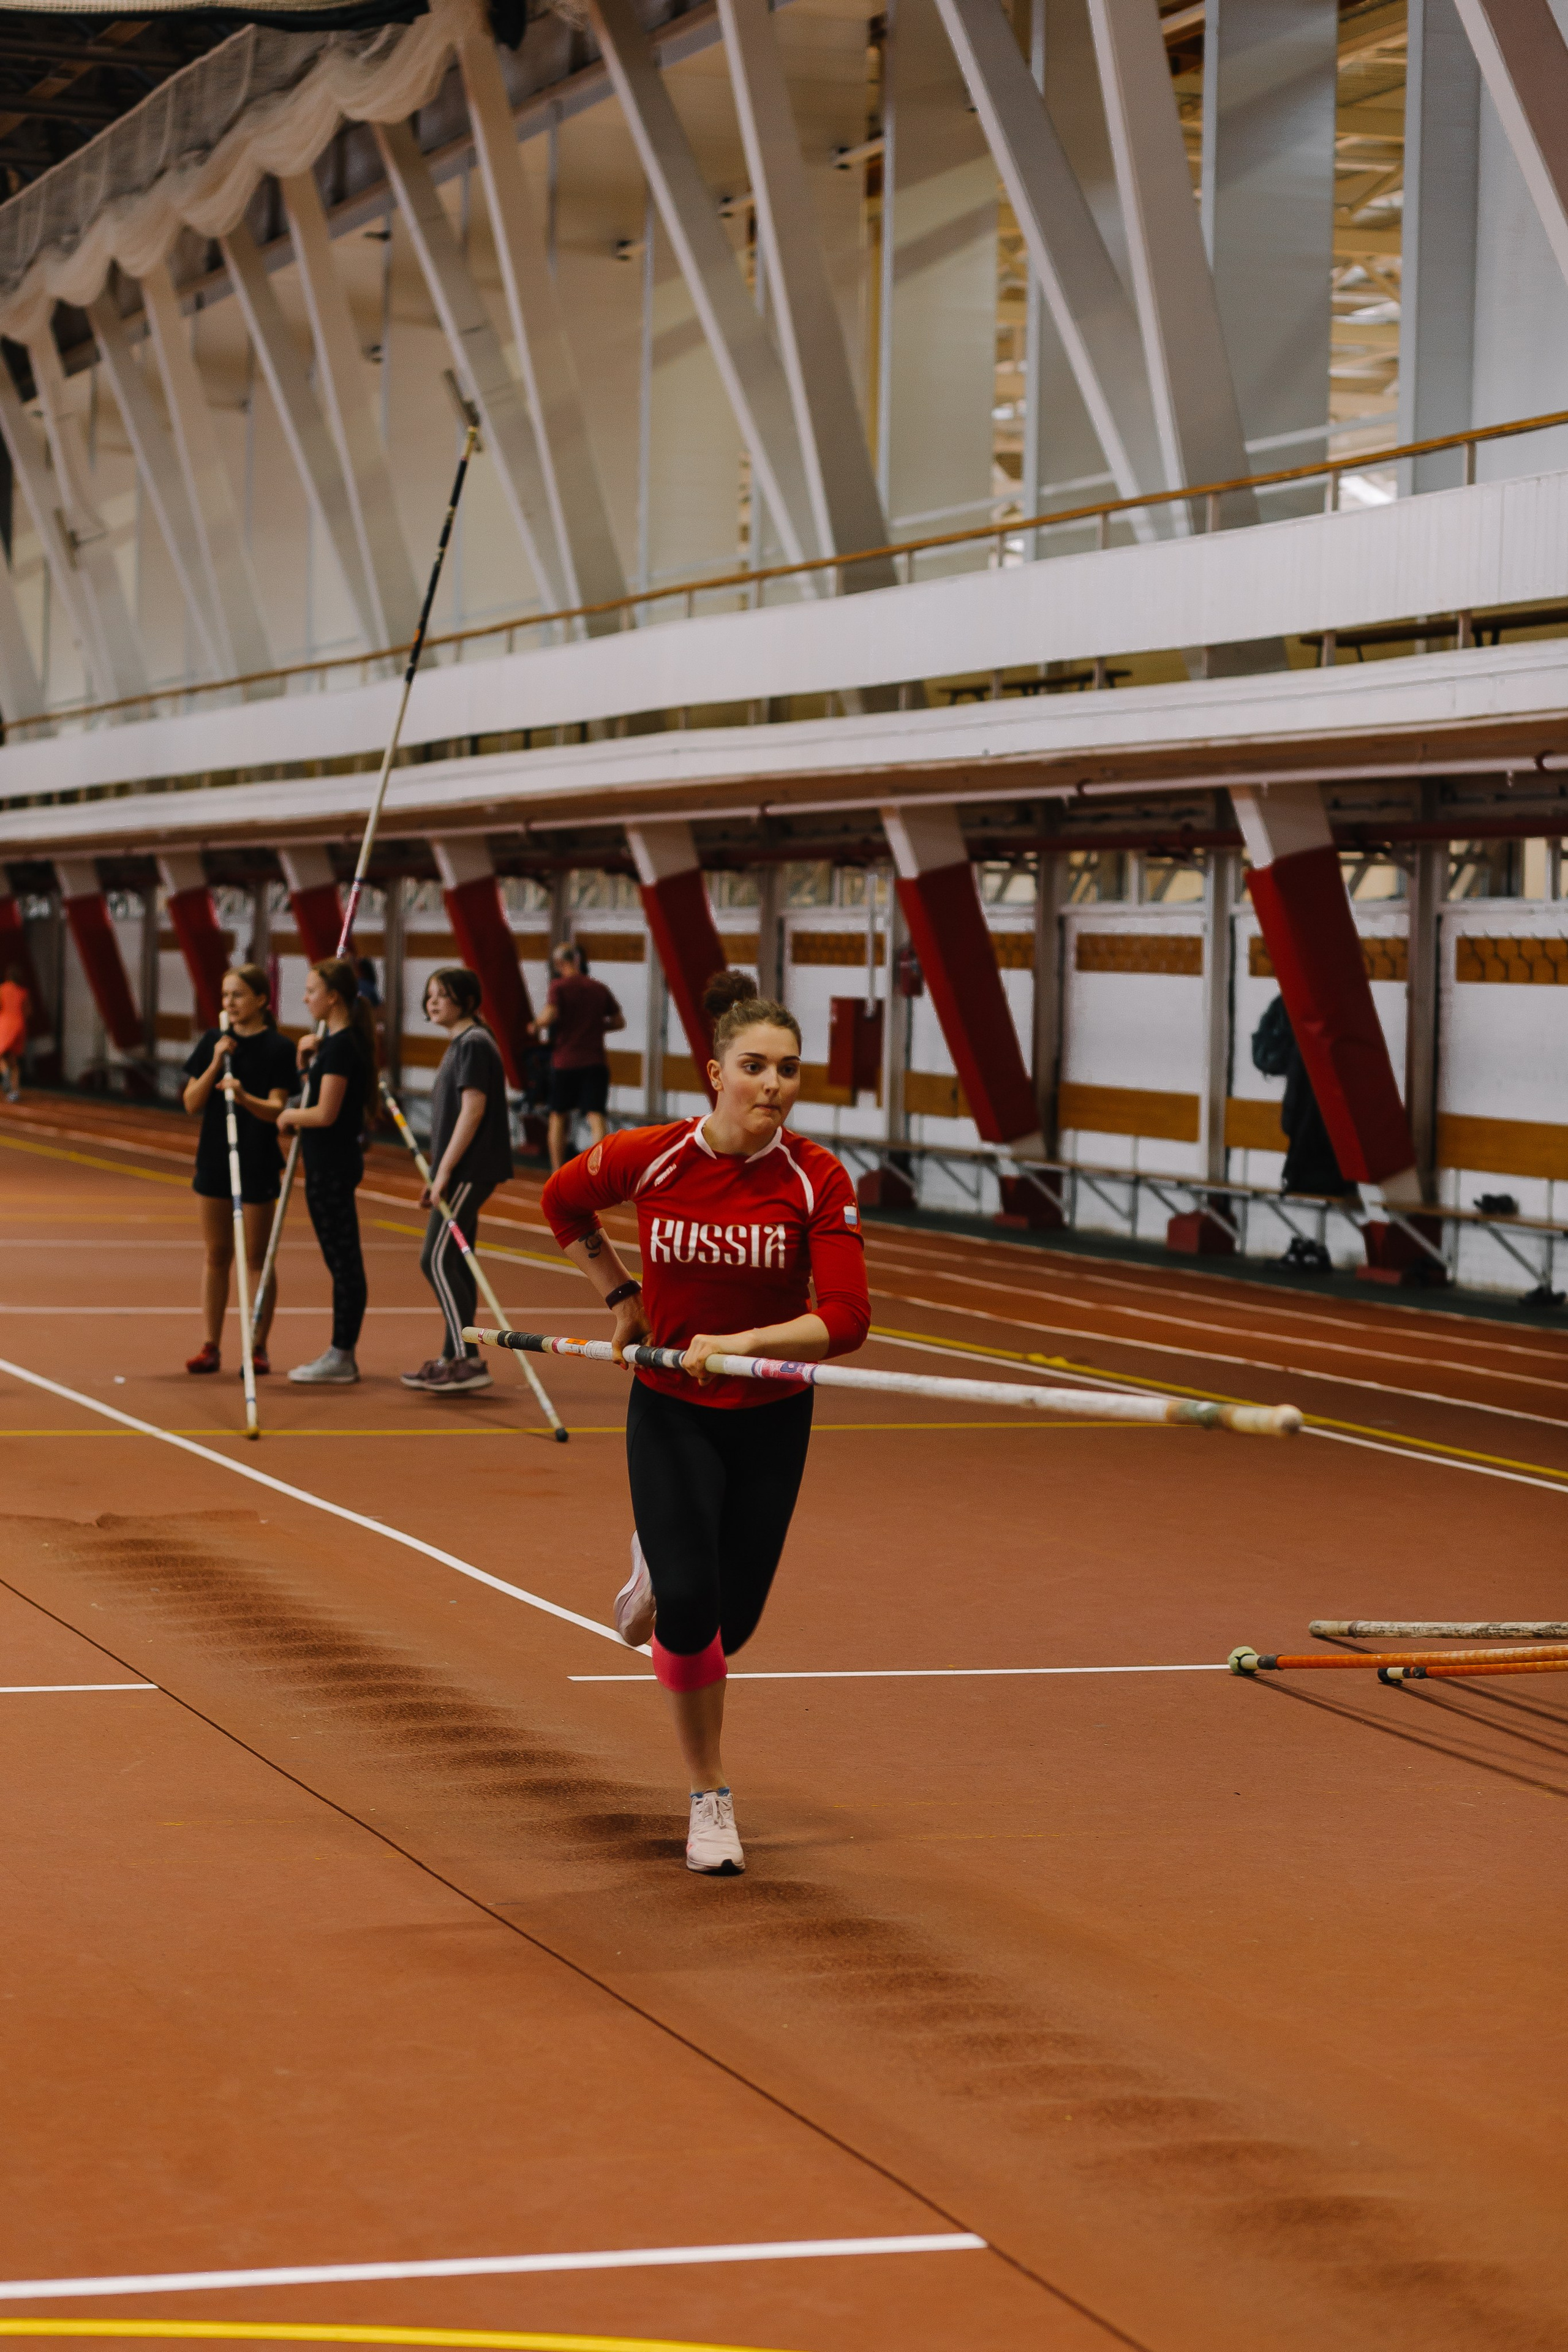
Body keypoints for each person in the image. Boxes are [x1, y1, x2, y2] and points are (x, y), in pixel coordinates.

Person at [540, 968, 870, 1877]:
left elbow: (845, 1319)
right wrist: (619, 1294)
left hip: (770, 1414)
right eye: (755, 1066)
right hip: (673, 1409)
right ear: (715, 1073)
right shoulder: (647, 1155)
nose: (774, 1085)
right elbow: (561, 1203)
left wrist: (745, 1338)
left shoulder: (817, 1178)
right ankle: (709, 1796)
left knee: (735, 1624)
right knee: (690, 1606)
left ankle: (665, 1567)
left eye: (790, 1070)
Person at [402, 965, 514, 1395]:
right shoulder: (463, 1043)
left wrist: (444, 1172)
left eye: (442, 995)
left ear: (466, 1001)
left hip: (470, 1169)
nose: (432, 1002)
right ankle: (453, 1355)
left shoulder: (473, 1044)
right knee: (455, 1261)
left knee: (434, 1258)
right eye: (429, 995)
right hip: (462, 1169)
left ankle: (468, 1359)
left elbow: (473, 1110)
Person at [181, 964, 296, 1376]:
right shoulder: (214, 1041)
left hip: (257, 1156)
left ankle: (259, 1345)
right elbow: (191, 1101)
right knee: (216, 1254)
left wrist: (244, 1096)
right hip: (215, 1157)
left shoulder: (280, 1049)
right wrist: (215, 1065)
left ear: (262, 1000)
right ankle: (211, 1345)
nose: (229, 1003)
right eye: (225, 995)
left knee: (258, 1257)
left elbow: (278, 1108)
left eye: (238, 995)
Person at [277, 957, 376, 1385]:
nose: (304, 998)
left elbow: (324, 1112)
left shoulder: (342, 1046)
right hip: (325, 1164)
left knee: (344, 1263)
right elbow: (316, 1092)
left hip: (332, 1165)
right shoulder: (334, 1044)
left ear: (333, 996)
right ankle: (341, 1352)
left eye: (311, 990)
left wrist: (287, 1116)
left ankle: (342, 1355)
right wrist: (305, 1063)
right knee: (340, 1261)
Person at [532, 941, 625, 1170]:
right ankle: (599, 1172)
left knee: (558, 1115)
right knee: (596, 1116)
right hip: (595, 1062)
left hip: (565, 1062)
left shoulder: (559, 987)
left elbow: (549, 1016)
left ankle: (556, 1171)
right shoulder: (598, 988)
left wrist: (533, 1026)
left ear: (559, 963)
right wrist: (595, 1027)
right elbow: (618, 1021)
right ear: (578, 961)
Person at [0, 962, 28, 1102]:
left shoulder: (2, 989)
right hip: (19, 1024)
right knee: (14, 1062)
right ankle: (15, 1091)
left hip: (5, 1023)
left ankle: (5, 1073)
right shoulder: (23, 992)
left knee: (2, 1056)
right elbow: (28, 1011)